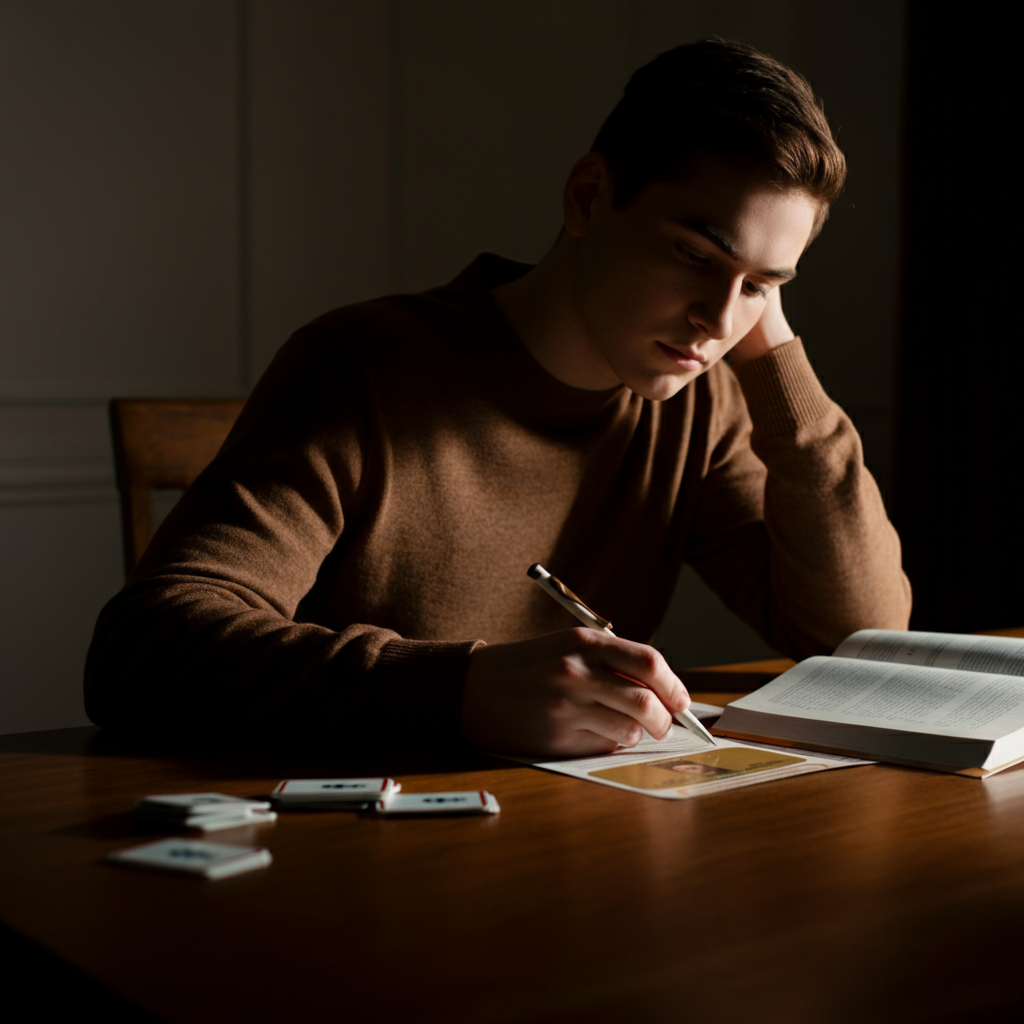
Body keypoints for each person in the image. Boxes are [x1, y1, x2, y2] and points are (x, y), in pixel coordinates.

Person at [85, 39, 911, 756]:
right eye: (696, 256)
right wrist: (458, 688)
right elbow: (144, 651)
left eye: (762, 286)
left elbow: (853, 640)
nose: (718, 320)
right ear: (588, 198)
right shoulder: (363, 368)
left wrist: (778, 363)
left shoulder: (700, 401)